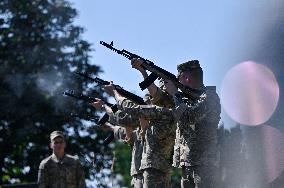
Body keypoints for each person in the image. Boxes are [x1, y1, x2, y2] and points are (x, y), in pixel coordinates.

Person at [118, 60, 221, 188]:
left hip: (205, 164)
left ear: (187, 78)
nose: (177, 83)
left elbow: (189, 117)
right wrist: (143, 70)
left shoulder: (209, 97)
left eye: (179, 79)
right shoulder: (185, 99)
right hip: (187, 164)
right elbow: (157, 95)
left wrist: (175, 94)